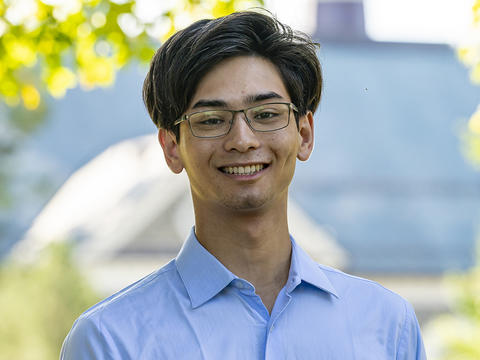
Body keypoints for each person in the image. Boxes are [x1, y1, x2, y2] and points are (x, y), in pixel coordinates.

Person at [61, 10, 426, 359]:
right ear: (172, 148)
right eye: (211, 119)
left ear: (304, 134)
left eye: (266, 114)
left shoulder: (387, 326)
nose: (243, 139)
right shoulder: (110, 341)